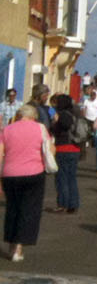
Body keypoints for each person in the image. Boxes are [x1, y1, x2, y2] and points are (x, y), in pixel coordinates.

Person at [1, 104, 54, 261]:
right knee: (29, 210)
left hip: (10, 174)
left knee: (13, 209)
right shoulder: (40, 129)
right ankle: (19, 248)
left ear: (18, 115)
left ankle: (11, 245)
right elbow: (51, 150)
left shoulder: (7, 130)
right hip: (34, 173)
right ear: (34, 116)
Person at [47, 93, 85, 215]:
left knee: (61, 178)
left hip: (63, 147)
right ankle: (73, 204)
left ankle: (63, 203)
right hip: (75, 147)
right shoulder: (76, 114)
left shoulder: (62, 115)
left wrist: (54, 123)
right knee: (72, 178)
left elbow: (56, 130)